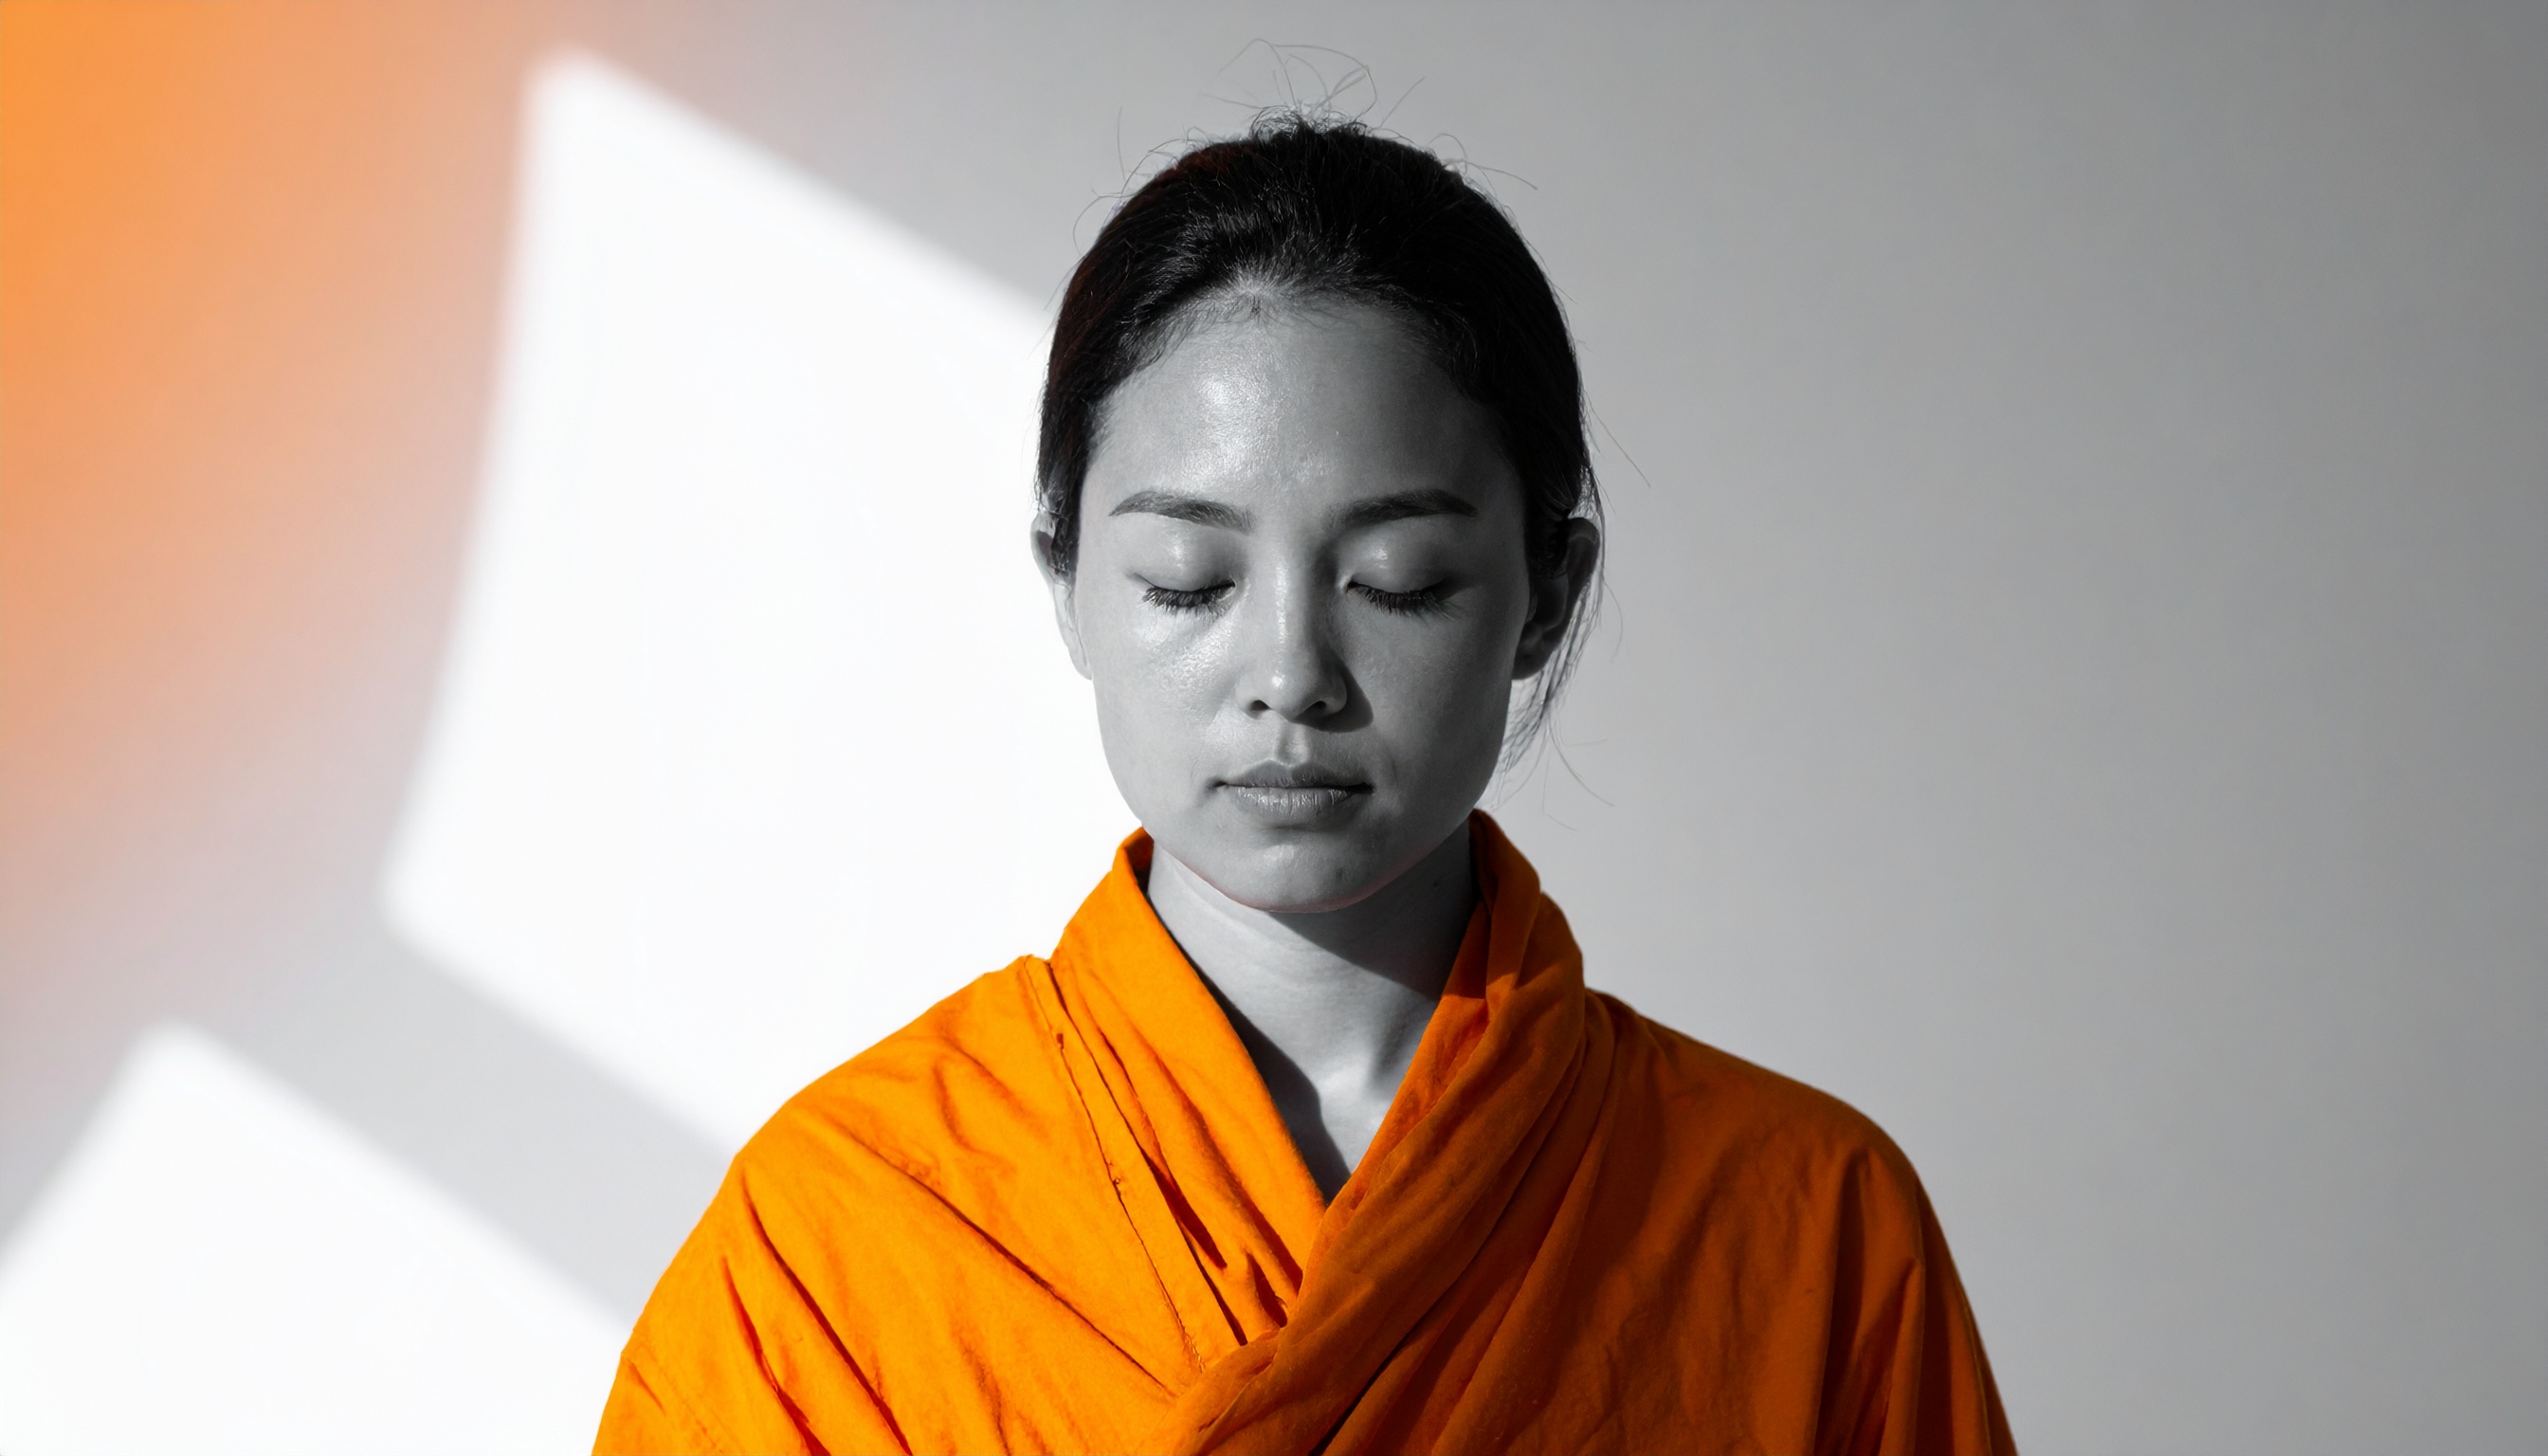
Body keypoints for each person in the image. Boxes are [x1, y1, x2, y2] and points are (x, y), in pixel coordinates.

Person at [597, 115, 2012, 1455]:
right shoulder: (843, 1230)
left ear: (1542, 592)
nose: (1291, 671)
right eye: (1187, 582)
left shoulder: (1808, 1222)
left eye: (1399, 580)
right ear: (1071, 589)